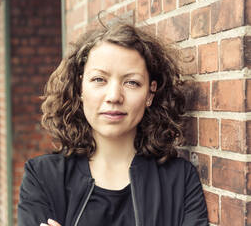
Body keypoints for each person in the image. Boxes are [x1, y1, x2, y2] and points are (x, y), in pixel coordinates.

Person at [17, 19, 208, 226]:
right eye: (99, 79)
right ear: (80, 87)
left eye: (131, 82)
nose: (114, 96)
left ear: (150, 93)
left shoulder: (180, 180)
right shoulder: (42, 177)